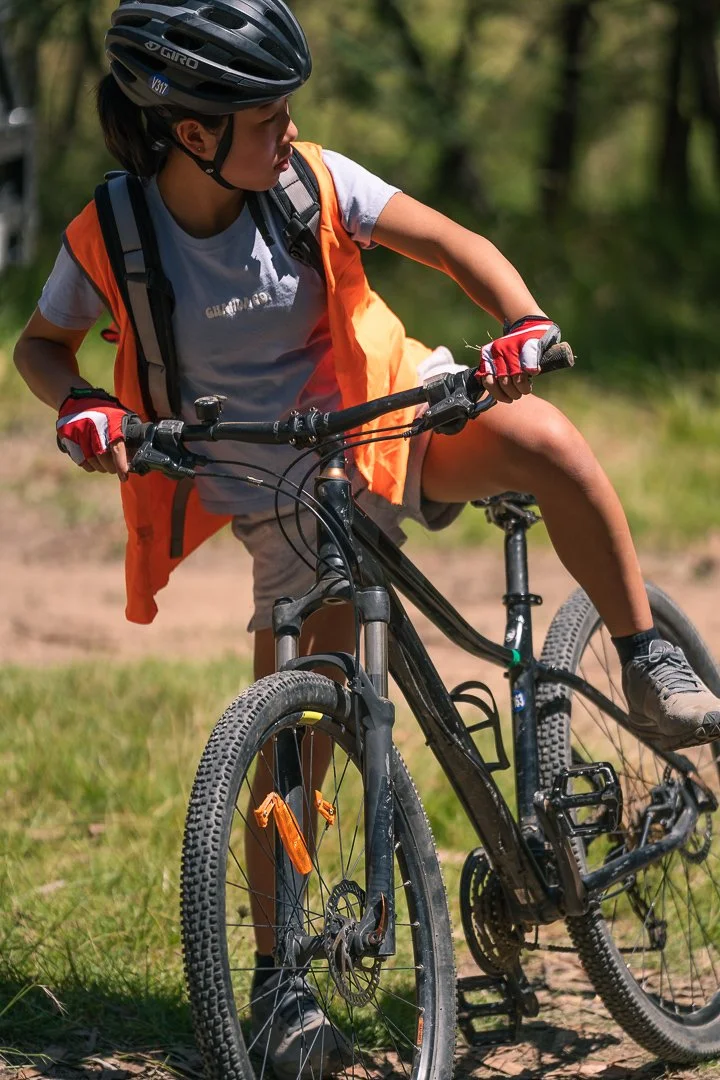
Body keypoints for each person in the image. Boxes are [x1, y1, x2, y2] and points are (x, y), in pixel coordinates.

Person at [13, 0, 720, 1074]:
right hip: (278, 488)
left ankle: (643, 653)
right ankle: (280, 983)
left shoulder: (313, 183)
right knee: (296, 744)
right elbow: (43, 347)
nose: (288, 131)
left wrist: (521, 323)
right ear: (190, 131)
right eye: (265, 117)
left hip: (387, 419)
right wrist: (79, 406)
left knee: (550, 446)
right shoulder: (111, 232)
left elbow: (454, 245)